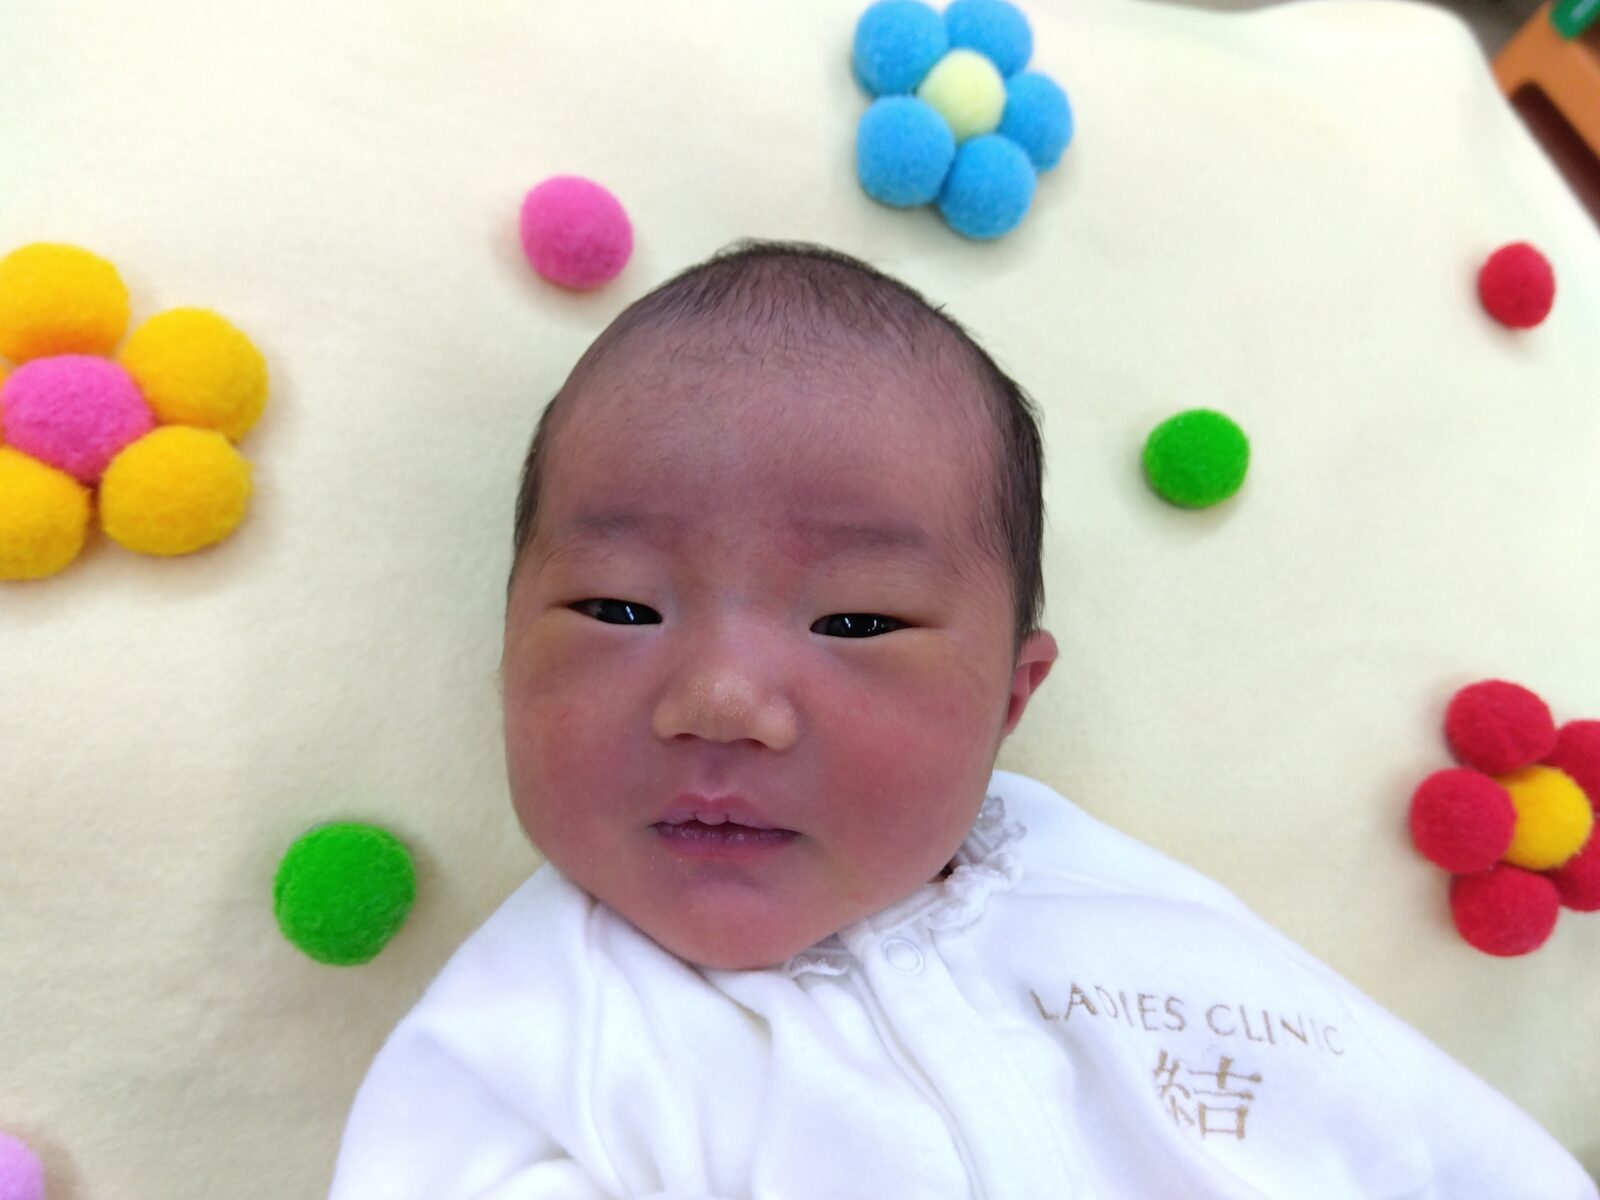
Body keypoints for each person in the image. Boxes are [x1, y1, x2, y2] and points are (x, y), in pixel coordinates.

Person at [329, 241, 1596, 1199]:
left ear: (1010, 700)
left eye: (856, 622)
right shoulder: (520, 1045)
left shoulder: (1125, 914)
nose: (719, 700)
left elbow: (1414, 1136)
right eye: (616, 607)